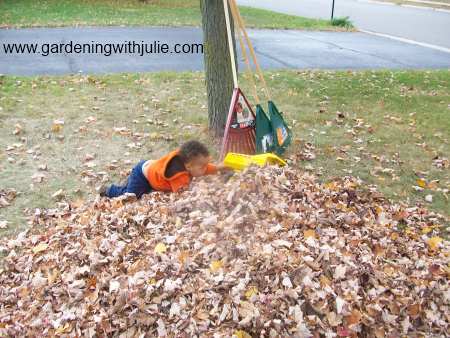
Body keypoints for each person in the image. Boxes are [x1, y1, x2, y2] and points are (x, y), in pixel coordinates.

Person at [100, 140, 227, 198]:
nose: (205, 169)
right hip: (143, 176)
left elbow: (207, 169)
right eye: (202, 166)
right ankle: (109, 190)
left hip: (152, 171)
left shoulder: (188, 161)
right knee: (131, 197)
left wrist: (221, 168)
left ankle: (128, 184)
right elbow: (182, 196)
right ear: (189, 166)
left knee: (140, 192)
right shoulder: (179, 176)